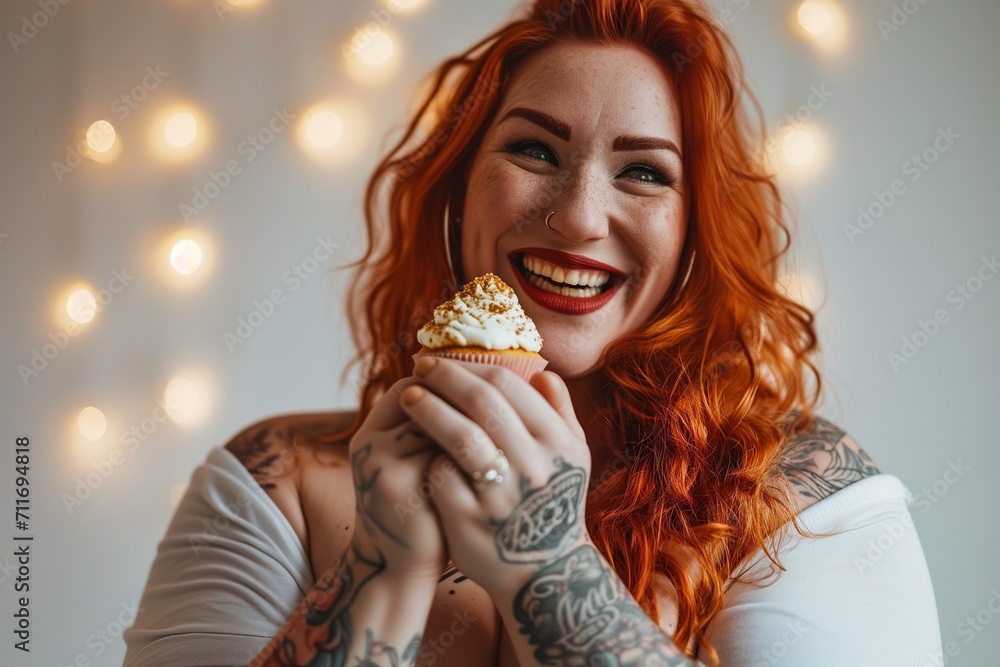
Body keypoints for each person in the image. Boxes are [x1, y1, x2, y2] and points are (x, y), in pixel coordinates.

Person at [123, 0, 943, 665]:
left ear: (696, 232)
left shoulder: (792, 498)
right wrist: (381, 570)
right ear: (457, 188)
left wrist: (547, 563)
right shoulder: (280, 484)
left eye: (645, 171)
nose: (579, 214)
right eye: (533, 150)